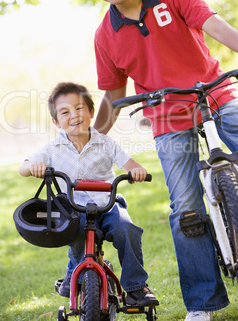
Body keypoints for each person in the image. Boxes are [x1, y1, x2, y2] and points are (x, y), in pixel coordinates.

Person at [77, 0, 238, 321]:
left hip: (217, 94)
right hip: (167, 116)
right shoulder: (104, 36)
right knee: (186, 209)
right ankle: (201, 304)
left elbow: (213, 24)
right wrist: (90, 143)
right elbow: (113, 93)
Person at [19, 82, 159, 306]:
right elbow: (23, 167)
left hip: (108, 204)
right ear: (56, 121)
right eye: (65, 112)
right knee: (77, 235)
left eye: (79, 108)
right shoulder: (52, 149)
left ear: (92, 112)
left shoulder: (106, 143)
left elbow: (130, 163)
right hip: (74, 209)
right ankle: (72, 278)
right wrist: (32, 167)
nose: (74, 115)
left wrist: (136, 170)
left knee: (127, 229)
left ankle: (136, 288)